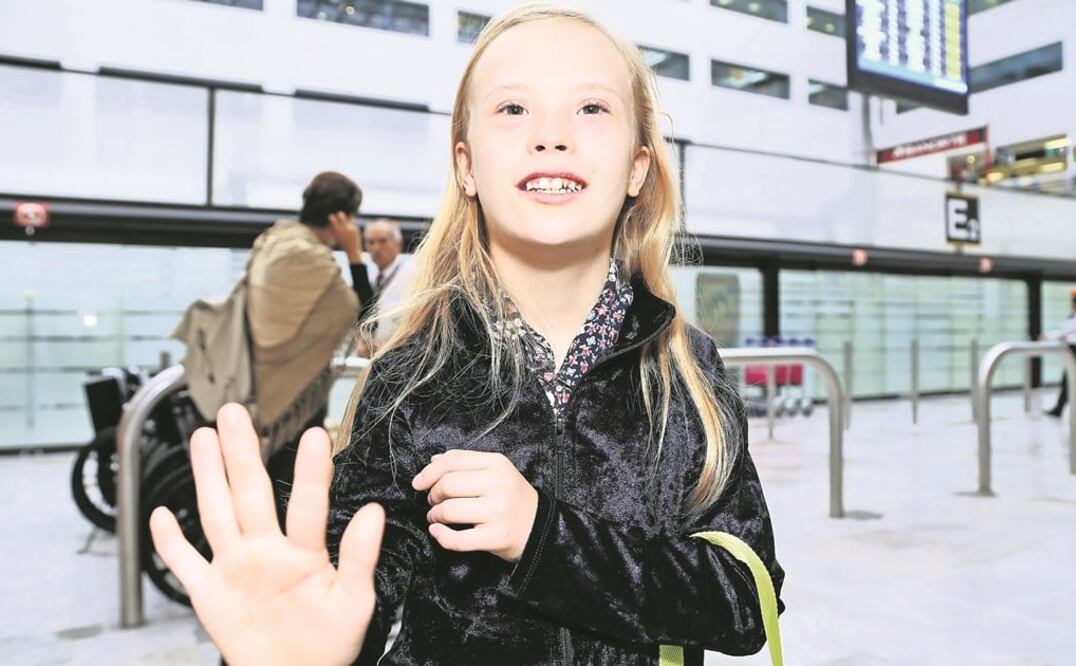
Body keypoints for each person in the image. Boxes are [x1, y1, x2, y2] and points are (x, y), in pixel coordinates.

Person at [149, 5, 785, 666]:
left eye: (591, 108)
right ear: (466, 165)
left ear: (637, 168)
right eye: (513, 108)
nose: (550, 136)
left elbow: (745, 602)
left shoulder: (687, 368)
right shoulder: (409, 378)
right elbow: (351, 591)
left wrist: (544, 537)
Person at [246, 171, 373, 516]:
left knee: (272, 484)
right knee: (289, 489)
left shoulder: (275, 241)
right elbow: (366, 316)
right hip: (293, 396)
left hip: (269, 388)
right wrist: (354, 253)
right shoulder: (309, 260)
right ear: (340, 218)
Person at [356, 219, 416, 356]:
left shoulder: (413, 276)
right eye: (370, 242)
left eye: (382, 241)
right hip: (371, 354)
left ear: (398, 244)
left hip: (399, 355)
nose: (376, 248)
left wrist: (388, 346)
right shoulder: (371, 278)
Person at [1042, 288, 1076, 418]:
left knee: (1069, 380)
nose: (1075, 305)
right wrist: (1049, 336)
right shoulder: (1073, 316)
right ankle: (1059, 409)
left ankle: (1059, 409)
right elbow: (1065, 333)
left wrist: (1067, 337)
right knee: (1068, 381)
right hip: (1074, 353)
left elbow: (1069, 335)